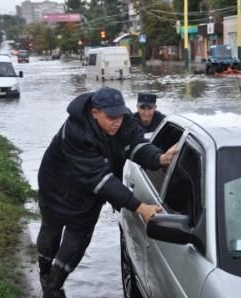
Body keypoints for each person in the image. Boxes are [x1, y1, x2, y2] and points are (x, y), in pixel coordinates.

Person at [36, 87, 178, 297]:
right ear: (95, 112)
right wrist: (139, 206)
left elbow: (136, 145)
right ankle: (45, 271)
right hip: (57, 185)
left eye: (120, 116)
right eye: (111, 117)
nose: (117, 122)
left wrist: (159, 158)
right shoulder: (76, 131)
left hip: (89, 191)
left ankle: (54, 287)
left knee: (79, 235)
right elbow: (99, 179)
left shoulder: (125, 121)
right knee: (52, 227)